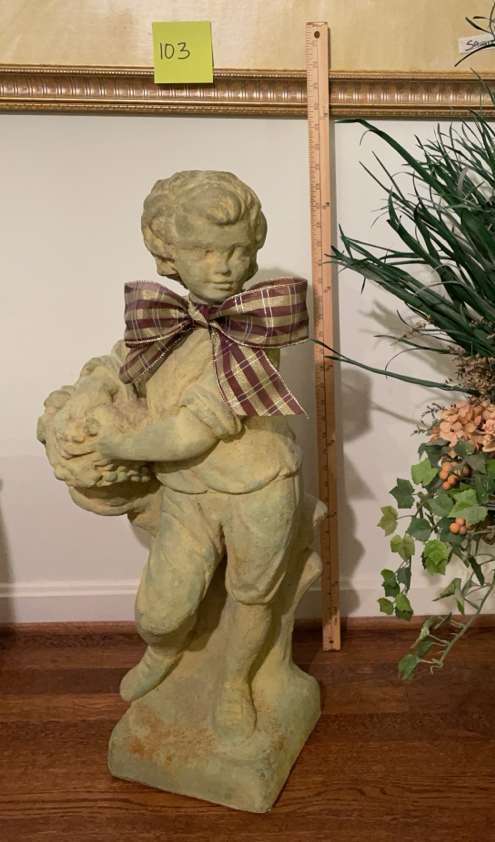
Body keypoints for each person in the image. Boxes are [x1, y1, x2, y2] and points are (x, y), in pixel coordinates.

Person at [91, 171, 310, 741]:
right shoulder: (166, 317)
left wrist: (118, 445)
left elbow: (190, 433)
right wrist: (94, 388)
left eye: (238, 251)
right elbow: (126, 363)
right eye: (206, 251)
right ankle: (163, 650)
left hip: (259, 486)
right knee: (161, 610)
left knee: (252, 594)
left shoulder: (252, 331)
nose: (226, 266)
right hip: (188, 489)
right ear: (167, 253)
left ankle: (235, 682)